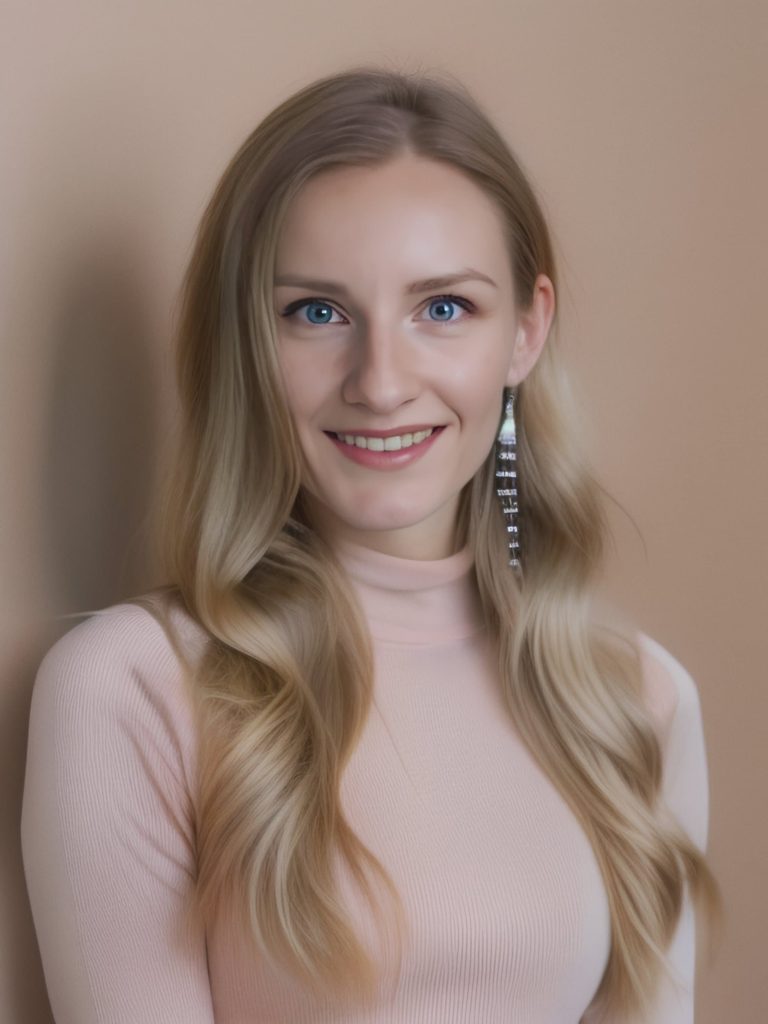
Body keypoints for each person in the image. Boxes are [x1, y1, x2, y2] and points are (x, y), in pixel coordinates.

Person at [21, 65, 723, 1023]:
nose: (381, 383)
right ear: (247, 341)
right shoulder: (134, 689)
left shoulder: (635, 700)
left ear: (526, 330)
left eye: (444, 308)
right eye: (317, 312)